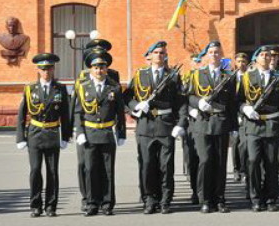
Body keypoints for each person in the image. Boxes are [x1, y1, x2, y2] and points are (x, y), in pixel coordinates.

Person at [124, 41, 186, 214]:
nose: (160, 55)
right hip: (145, 125)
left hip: (166, 124)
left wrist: (180, 123)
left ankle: (165, 200)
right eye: (156, 52)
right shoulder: (140, 75)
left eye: (162, 53)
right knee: (147, 165)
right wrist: (137, 105)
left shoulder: (173, 76)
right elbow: (127, 96)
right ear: (149, 56)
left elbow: (180, 102)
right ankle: (149, 199)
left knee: (166, 166)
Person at [16, 53, 71, 217]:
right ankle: (35, 205)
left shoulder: (60, 89)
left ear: (53, 69)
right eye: (42, 69)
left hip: (53, 133)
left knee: (52, 172)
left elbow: (65, 115)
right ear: (38, 70)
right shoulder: (30, 89)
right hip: (35, 133)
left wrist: (65, 136)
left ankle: (51, 206)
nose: (46, 72)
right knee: (35, 170)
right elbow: (21, 114)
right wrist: (20, 137)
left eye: (49, 69)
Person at [238, 45, 279, 212]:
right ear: (256, 59)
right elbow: (238, 100)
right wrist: (245, 108)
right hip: (253, 126)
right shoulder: (247, 78)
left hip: (271, 126)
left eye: (269, 56)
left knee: (271, 164)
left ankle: (270, 198)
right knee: (253, 161)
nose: (266, 58)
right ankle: (255, 197)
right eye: (262, 55)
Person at [187, 40, 238, 213]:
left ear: (221, 55)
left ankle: (220, 199)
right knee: (205, 160)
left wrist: (234, 129)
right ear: (206, 55)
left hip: (221, 122)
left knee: (220, 163)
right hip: (202, 123)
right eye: (211, 52)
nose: (214, 55)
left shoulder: (228, 77)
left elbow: (232, 103)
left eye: (217, 52)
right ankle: (205, 199)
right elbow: (188, 96)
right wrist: (198, 102)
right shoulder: (196, 74)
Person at [74, 51, 126, 216]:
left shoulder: (114, 88)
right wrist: (79, 132)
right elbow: (77, 112)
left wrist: (121, 133)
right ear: (91, 69)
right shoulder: (83, 88)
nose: (99, 70)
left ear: (106, 69)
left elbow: (120, 113)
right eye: (96, 67)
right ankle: (91, 203)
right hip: (89, 133)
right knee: (90, 170)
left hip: (106, 133)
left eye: (102, 67)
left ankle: (107, 203)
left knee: (107, 170)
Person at [181, 53, 202, 204]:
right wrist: (188, 110)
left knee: (204, 158)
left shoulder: (204, 76)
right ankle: (195, 190)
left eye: (200, 61)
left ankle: (204, 190)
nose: (198, 63)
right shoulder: (187, 78)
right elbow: (182, 99)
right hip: (190, 124)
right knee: (192, 158)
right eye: (195, 61)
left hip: (205, 122)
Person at [231, 52, 249, 183]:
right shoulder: (231, 77)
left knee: (245, 144)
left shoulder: (250, 76)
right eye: (238, 61)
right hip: (234, 115)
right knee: (235, 142)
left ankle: (244, 169)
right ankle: (237, 169)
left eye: (243, 61)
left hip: (247, 113)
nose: (241, 64)